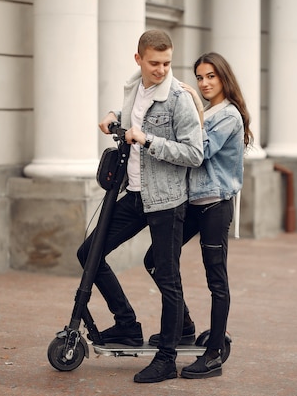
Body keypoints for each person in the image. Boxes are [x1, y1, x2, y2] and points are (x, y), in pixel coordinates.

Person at [76, 30, 203, 383]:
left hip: (166, 201)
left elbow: (194, 153)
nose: (162, 70)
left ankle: (166, 358)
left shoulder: (179, 99)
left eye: (167, 63)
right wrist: (113, 115)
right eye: (154, 63)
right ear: (139, 60)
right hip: (133, 195)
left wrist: (148, 141)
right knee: (88, 253)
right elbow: (136, 114)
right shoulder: (134, 87)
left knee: (167, 275)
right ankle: (127, 325)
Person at [143, 52, 253, 379]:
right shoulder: (209, 111)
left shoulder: (228, 115)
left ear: (224, 79)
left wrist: (192, 106)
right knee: (156, 258)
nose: (204, 84)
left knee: (215, 277)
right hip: (193, 204)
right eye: (200, 78)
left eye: (211, 77)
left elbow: (198, 151)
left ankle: (215, 351)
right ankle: (184, 326)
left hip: (216, 205)